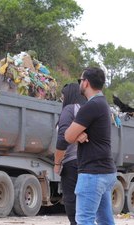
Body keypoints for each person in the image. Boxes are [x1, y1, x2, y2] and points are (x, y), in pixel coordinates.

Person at [65, 67, 117, 225]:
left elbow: (67, 136)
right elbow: (75, 135)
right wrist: (78, 134)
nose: (80, 83)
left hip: (92, 174)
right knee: (105, 221)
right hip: (105, 171)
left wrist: (76, 134)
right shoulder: (103, 104)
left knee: (84, 220)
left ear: (86, 83)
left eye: (80, 80)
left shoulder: (90, 106)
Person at [54, 83, 86, 225]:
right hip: (87, 161)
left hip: (72, 162)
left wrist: (57, 163)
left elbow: (62, 137)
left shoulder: (69, 109)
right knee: (84, 200)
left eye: (63, 95)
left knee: (70, 199)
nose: (62, 98)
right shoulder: (86, 109)